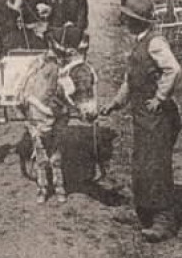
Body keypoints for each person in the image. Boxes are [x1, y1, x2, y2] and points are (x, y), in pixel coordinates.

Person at [101, 0, 182, 242]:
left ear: (139, 21)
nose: (125, 22)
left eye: (129, 18)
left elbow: (174, 69)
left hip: (157, 117)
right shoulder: (138, 42)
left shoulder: (155, 42)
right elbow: (130, 80)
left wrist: (160, 97)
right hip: (141, 116)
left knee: (156, 165)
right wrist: (115, 104)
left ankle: (164, 220)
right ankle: (144, 212)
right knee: (141, 163)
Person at [11, 24, 112, 203]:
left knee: (57, 149)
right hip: (42, 100)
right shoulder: (49, 53)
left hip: (59, 82)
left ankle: (59, 185)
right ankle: (43, 187)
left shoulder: (67, 53)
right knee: (40, 146)